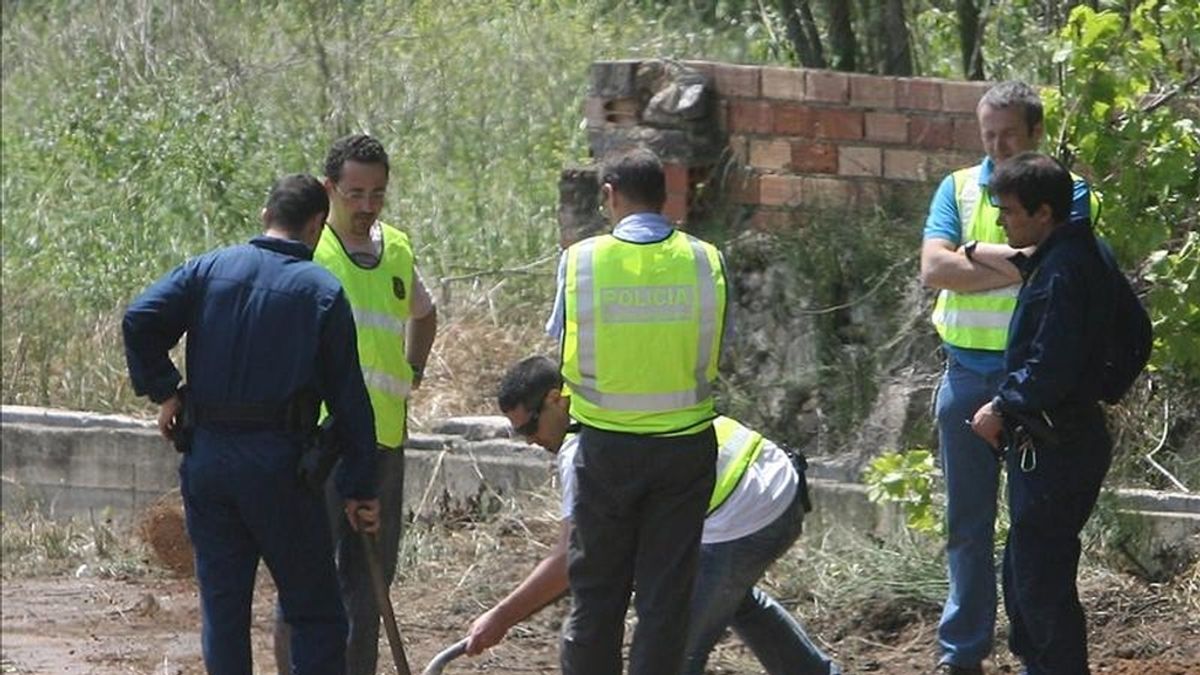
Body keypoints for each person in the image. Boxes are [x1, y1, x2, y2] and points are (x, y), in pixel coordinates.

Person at [122, 174, 380, 675]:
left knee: (224, 612)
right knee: (315, 613)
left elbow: (139, 318)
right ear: (316, 226)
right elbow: (349, 400)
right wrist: (360, 485)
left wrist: (167, 389)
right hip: (280, 469)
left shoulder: (210, 268)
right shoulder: (321, 291)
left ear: (265, 217)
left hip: (209, 463)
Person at [466, 356, 841, 675]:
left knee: (671, 653)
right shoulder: (610, 400)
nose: (530, 440)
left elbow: (567, 560)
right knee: (728, 597)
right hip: (772, 483)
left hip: (750, 508)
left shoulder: (583, 447)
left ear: (555, 399)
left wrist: (501, 617)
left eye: (530, 427)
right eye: (518, 434)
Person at [918, 81, 1099, 674]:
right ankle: (961, 653)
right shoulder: (959, 186)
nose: (995, 147)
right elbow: (933, 269)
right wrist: (1016, 263)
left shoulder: (1065, 190)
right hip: (967, 373)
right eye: (987, 135)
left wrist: (974, 256)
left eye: (1008, 136)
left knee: (1032, 536)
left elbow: (1057, 264)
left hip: (1036, 387)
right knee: (966, 528)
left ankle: (1035, 658)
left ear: (1035, 134)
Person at [546, 147, 729, 674]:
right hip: (685, 449)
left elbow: (562, 347)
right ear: (667, 196)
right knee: (664, 604)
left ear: (610, 195)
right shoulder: (704, 259)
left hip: (606, 450)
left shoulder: (581, 261)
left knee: (597, 596)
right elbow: (718, 346)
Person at [274, 133, 439, 675]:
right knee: (306, 579)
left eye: (378, 194)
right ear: (329, 190)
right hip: (318, 446)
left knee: (369, 587)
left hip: (383, 443)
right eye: (355, 194)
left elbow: (424, 312)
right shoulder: (308, 252)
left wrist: (412, 371)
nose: (367, 206)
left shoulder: (397, 248)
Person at [969, 152, 1116, 675]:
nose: (1001, 218)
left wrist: (1001, 405)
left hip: (1058, 445)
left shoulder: (1065, 271)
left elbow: (1050, 364)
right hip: (1062, 439)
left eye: (1008, 210)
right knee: (1026, 572)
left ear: (1045, 212)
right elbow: (1132, 336)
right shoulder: (1076, 256)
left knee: (1039, 580)